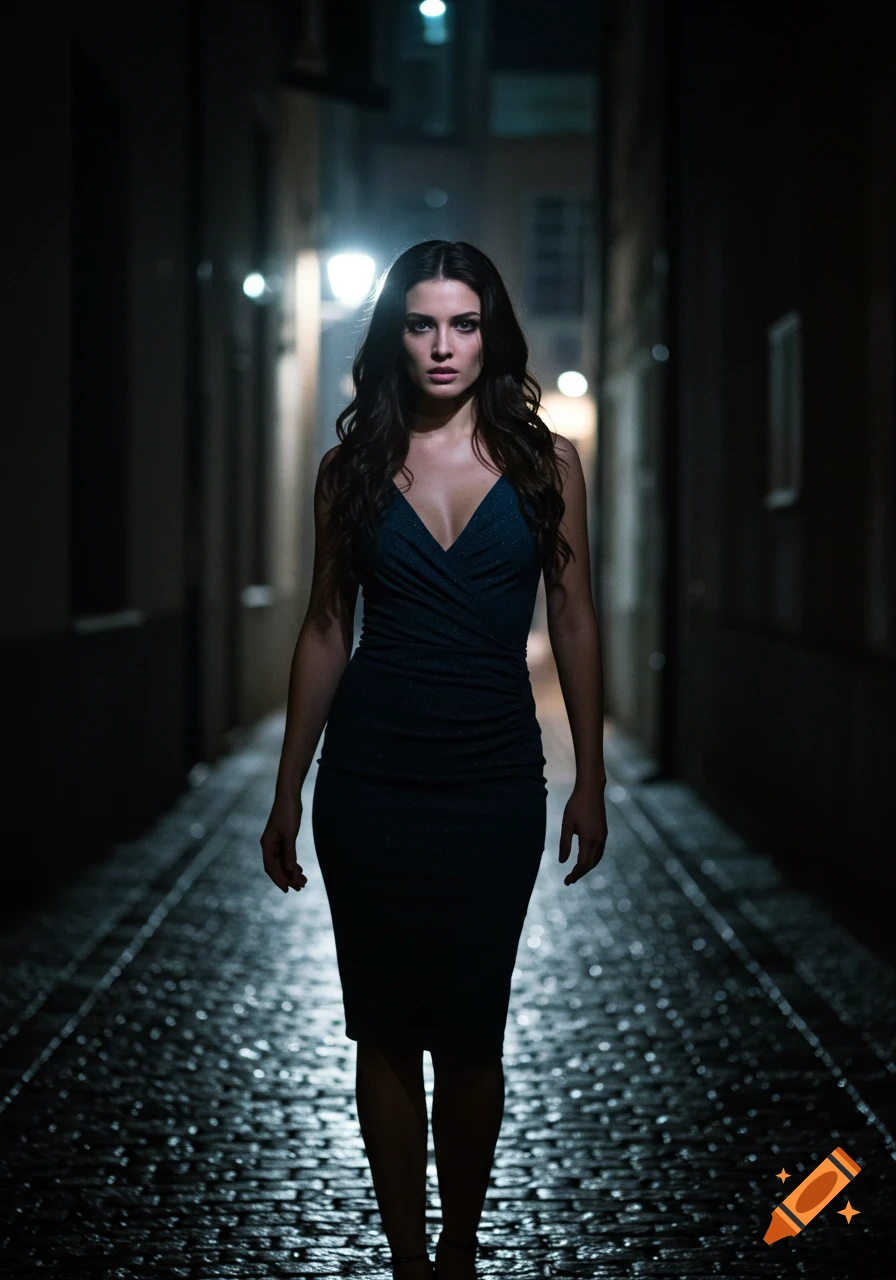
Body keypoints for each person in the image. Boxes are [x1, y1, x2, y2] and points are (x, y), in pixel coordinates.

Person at [260, 240, 608, 1279]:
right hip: (368, 785)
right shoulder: (351, 469)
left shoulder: (549, 465)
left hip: (495, 780)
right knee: (382, 1029)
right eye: (421, 323)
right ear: (395, 334)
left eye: (462, 323)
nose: (442, 344)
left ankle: (458, 1247)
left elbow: (575, 617)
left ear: (490, 332)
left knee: (470, 1031)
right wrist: (287, 788)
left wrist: (590, 773)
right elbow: (325, 626)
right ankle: (408, 1258)